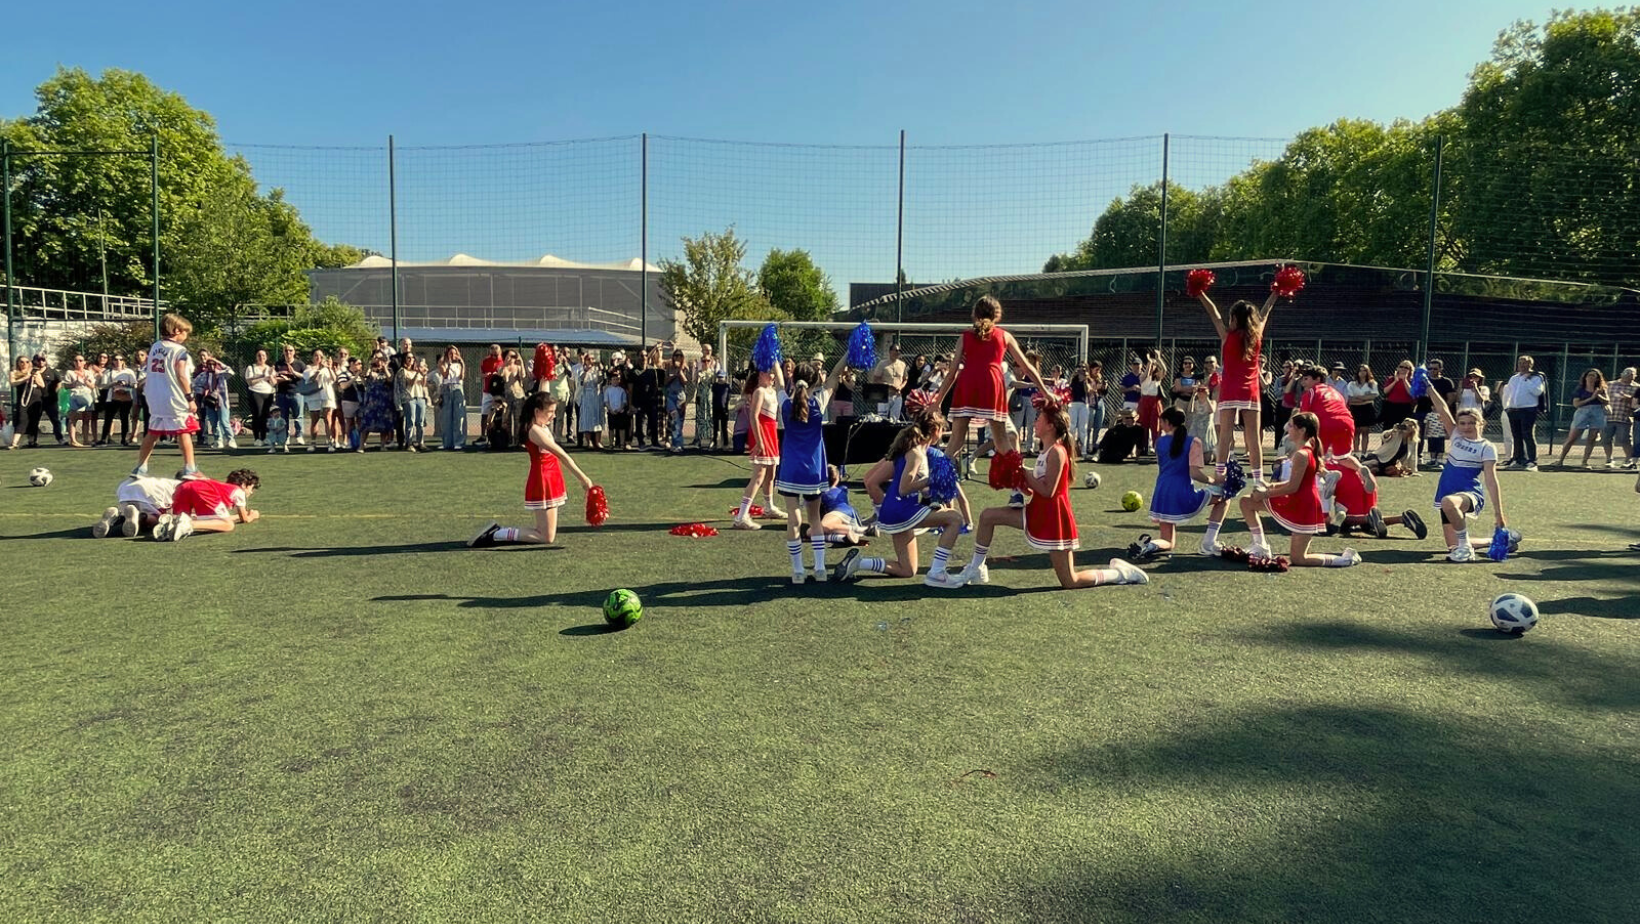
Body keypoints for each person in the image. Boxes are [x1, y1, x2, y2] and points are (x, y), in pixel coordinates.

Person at [949, 403, 1148, 589]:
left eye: (1039, 420)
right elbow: (1037, 490)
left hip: (1054, 518)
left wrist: (1022, 470)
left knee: (1070, 581)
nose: (1035, 423)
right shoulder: (1045, 451)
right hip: (1037, 510)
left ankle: (1120, 574)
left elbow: (1048, 491)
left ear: (1050, 426)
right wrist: (1017, 480)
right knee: (987, 516)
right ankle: (977, 568)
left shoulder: (1057, 452)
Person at [930, 296, 1051, 505]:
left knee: (955, 442)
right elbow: (1027, 367)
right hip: (992, 384)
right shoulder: (1004, 336)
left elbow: (951, 373)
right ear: (997, 315)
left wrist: (937, 401)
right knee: (1002, 441)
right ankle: (1015, 493)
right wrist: (1045, 391)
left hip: (968, 383)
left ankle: (936, 493)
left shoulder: (965, 336)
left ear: (975, 314)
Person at [834, 410, 970, 587]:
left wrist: (932, 495)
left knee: (908, 570)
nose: (943, 434)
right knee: (955, 519)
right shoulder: (916, 453)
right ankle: (937, 572)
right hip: (901, 509)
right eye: (942, 430)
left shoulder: (914, 450)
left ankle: (859, 563)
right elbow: (904, 488)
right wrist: (931, 480)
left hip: (895, 511)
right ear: (935, 429)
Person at [1235, 412, 1362, 568]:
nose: (1288, 429)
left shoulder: (1302, 454)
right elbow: (1297, 483)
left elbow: (1293, 487)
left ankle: (1346, 559)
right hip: (1298, 501)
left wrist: (1265, 493)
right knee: (1247, 502)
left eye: (1291, 426)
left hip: (1303, 506)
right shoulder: (1306, 450)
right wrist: (1271, 486)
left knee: (1299, 559)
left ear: (1301, 430)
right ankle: (1260, 545)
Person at [470, 393, 596, 548]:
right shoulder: (534, 431)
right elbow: (562, 455)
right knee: (546, 537)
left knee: (547, 535)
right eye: (550, 412)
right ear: (537, 412)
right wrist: (584, 479)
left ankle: (498, 533)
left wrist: (545, 373)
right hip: (543, 481)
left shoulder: (541, 425)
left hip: (552, 479)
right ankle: (497, 533)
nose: (553, 416)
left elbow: (544, 388)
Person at [1196, 281, 1283, 486]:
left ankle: (1220, 475)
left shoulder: (1227, 336)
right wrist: (1276, 292)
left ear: (1234, 318)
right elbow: (1266, 311)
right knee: (1253, 436)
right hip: (1250, 391)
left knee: (1225, 434)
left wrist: (1200, 293)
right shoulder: (1257, 335)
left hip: (1229, 389)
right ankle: (1259, 479)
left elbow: (1214, 313)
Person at [775, 357, 849, 583]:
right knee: (815, 518)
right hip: (814, 471)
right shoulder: (818, 404)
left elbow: (778, 381)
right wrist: (848, 353)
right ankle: (819, 569)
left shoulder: (786, 404)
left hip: (790, 469)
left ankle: (798, 571)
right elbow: (835, 375)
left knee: (793, 519)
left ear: (793, 379)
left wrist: (773, 356)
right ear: (815, 381)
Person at [1130, 407, 1229, 560]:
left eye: (1161, 422)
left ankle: (1148, 546)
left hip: (1161, 492)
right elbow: (1194, 473)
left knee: (1168, 541)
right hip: (1182, 494)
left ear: (1168, 423)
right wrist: (1215, 480)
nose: (1160, 425)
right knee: (1225, 497)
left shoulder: (1160, 442)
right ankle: (1209, 542)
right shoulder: (1193, 442)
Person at [1426, 386, 1512, 563]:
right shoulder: (1456, 436)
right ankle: (1496, 541)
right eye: (1462, 423)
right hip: (1447, 491)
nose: (1466, 427)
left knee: (1448, 503)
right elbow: (1442, 407)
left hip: (1469, 493)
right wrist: (1429, 386)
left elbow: (1491, 480)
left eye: (1471, 422)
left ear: (1481, 423)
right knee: (1452, 545)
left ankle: (1466, 550)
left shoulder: (1486, 447)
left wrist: (1499, 514)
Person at [131, 313, 202, 480]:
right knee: (184, 430)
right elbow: (182, 375)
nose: (186, 336)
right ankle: (190, 468)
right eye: (185, 332)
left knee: (153, 431)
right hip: (174, 396)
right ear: (176, 330)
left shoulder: (155, 346)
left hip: (155, 396)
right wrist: (190, 398)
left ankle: (140, 467)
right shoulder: (179, 350)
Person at [732, 364, 786, 530]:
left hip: (771, 434)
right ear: (761, 374)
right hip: (761, 435)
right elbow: (754, 418)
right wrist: (760, 441)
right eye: (768, 373)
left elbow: (781, 381)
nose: (772, 376)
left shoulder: (772, 390)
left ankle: (769, 507)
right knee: (758, 476)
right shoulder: (759, 391)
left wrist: (776, 360)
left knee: (771, 474)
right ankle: (741, 516)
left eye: (773, 373)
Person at [1324, 461, 1427, 541]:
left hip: (1343, 480)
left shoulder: (1319, 458)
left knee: (1342, 521)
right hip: (1363, 477)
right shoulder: (1343, 454)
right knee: (1365, 523)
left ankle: (1368, 519)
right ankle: (1402, 518)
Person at [153, 469, 261, 541]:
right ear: (243, 485)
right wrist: (253, 515)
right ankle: (189, 525)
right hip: (202, 490)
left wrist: (237, 516)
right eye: (251, 488)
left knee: (179, 518)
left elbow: (216, 520)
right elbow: (245, 519)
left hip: (183, 487)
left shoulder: (222, 488)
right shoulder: (238, 491)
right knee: (228, 525)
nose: (251, 492)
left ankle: (167, 525)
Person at [93, 473, 182, 538]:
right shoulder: (186, 487)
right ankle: (140, 516)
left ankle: (115, 516)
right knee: (162, 519)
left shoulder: (167, 482)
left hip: (125, 487)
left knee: (127, 512)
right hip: (148, 492)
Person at [1551, 367, 1609, 468]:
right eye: (1589, 375)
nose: (1591, 378)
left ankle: (1584, 462)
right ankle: (1560, 460)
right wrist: (1591, 398)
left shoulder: (1601, 390)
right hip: (1582, 412)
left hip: (1597, 413)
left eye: (1594, 376)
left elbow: (1607, 401)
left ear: (1597, 379)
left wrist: (1598, 396)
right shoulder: (1580, 389)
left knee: (1592, 438)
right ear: (1585, 377)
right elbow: (1576, 404)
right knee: (1572, 438)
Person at [1501, 356, 1546, 470]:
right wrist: (1507, 407)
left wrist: (1527, 379)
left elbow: (1537, 391)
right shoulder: (1514, 378)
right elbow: (1509, 393)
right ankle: (1519, 459)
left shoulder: (1536, 377)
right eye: (1520, 363)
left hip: (1528, 409)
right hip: (1514, 410)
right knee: (1516, 436)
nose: (1521, 365)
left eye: (1524, 363)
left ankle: (1532, 461)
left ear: (1530, 365)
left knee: (1527, 434)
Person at [194, 351, 238, 450]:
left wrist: (217, 361)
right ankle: (218, 440)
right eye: (209, 364)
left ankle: (230, 439)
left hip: (222, 401)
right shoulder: (204, 375)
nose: (211, 366)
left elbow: (231, 371)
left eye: (213, 364)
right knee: (214, 422)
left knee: (224, 421)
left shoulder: (222, 374)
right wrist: (202, 391)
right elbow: (195, 383)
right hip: (210, 401)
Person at [1419, 359, 1457, 469]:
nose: (1432, 371)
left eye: (1435, 368)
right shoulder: (1424, 381)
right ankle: (1430, 458)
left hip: (1439, 414)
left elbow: (1451, 398)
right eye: (1430, 368)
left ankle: (1439, 458)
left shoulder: (1446, 382)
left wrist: (1441, 409)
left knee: (1439, 436)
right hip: (1425, 412)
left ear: (1440, 369)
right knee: (1428, 436)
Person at [358, 353, 398, 451]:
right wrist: (370, 365)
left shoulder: (389, 370)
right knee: (367, 423)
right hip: (371, 400)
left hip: (384, 400)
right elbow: (365, 376)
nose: (378, 360)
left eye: (380, 358)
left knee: (383, 423)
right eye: (376, 358)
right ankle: (361, 445)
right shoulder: (371, 370)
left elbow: (390, 379)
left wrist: (384, 368)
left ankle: (382, 445)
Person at [99, 354, 138, 446]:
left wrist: (125, 386)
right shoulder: (108, 372)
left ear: (124, 361)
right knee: (108, 418)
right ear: (112, 361)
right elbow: (103, 386)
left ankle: (124, 439)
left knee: (124, 419)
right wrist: (114, 383)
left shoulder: (129, 372)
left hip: (126, 398)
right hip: (112, 398)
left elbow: (134, 384)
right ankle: (104, 438)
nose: (118, 362)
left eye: (121, 359)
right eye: (116, 360)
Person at [1603, 366, 1636, 469]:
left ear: (1635, 376)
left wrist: (1629, 399)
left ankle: (1628, 460)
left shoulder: (1637, 388)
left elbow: (1637, 403)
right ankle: (1609, 459)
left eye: (1631, 374)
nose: (1628, 375)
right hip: (1608, 417)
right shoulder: (1610, 384)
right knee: (1606, 439)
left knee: (1625, 440)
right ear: (1621, 374)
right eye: (1626, 373)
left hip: (1625, 418)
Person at [273, 344, 306, 447]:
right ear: (283, 352)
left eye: (291, 350)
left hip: (297, 393)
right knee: (283, 417)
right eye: (286, 351)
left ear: (294, 352)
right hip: (282, 394)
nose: (288, 353)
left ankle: (299, 435)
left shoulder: (300, 364)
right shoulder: (278, 364)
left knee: (298, 416)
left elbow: (306, 377)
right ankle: (285, 437)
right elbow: (273, 379)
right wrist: (282, 379)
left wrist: (294, 373)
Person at [62, 353, 98, 447]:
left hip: (87, 397)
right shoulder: (70, 373)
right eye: (76, 360)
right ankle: (73, 440)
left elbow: (93, 386)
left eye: (80, 360)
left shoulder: (88, 373)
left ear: (84, 362)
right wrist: (75, 382)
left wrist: (86, 382)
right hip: (75, 396)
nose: (78, 362)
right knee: (73, 418)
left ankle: (86, 440)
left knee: (86, 419)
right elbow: (66, 386)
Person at [243, 349, 277, 447]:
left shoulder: (270, 368)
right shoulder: (251, 368)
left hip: (268, 393)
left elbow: (273, 383)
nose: (261, 357)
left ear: (266, 357)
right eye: (259, 355)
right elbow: (250, 382)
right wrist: (263, 376)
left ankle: (264, 437)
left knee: (265, 416)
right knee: (257, 415)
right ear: (256, 357)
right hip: (256, 393)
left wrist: (270, 376)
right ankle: (257, 438)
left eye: (263, 355)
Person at [437, 346, 467, 451]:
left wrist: (462, 364)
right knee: (446, 417)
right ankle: (447, 442)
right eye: (450, 353)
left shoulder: (459, 364)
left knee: (459, 415)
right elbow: (445, 375)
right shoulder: (443, 363)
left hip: (457, 387)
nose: (453, 355)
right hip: (446, 388)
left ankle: (459, 441)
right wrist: (448, 365)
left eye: (454, 353)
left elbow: (462, 377)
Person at [397, 354, 429, 452]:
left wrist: (424, 375)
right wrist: (417, 374)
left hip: (420, 397)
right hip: (409, 398)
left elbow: (423, 384)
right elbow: (410, 383)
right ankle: (409, 443)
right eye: (408, 358)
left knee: (420, 421)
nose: (411, 360)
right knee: (410, 421)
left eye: (412, 358)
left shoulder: (417, 371)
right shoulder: (402, 371)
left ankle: (420, 442)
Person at [1346, 364, 1379, 456]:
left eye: (1364, 370)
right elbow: (1351, 400)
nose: (1362, 373)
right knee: (1356, 432)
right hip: (1355, 409)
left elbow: (1373, 396)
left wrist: (1359, 398)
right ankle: (1356, 453)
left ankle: (1364, 453)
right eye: (1360, 370)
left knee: (1365, 431)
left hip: (1367, 409)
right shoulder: (1351, 384)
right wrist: (1365, 399)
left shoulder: (1372, 384)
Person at [870, 343, 908, 419]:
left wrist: (900, 387)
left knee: (895, 419)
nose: (897, 352)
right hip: (885, 395)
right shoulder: (882, 364)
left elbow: (905, 379)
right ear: (890, 351)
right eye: (895, 350)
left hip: (897, 396)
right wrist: (888, 385)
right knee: (881, 419)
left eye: (899, 351)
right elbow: (875, 379)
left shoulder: (902, 364)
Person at [575, 353, 604, 451]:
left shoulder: (597, 370)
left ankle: (598, 441)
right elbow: (581, 381)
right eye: (589, 359)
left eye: (592, 359)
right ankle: (589, 442)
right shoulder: (582, 369)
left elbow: (600, 380)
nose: (591, 361)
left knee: (597, 417)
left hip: (596, 396)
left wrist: (601, 370)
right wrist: (586, 371)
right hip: (587, 396)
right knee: (587, 418)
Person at [665, 348, 691, 453]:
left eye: (680, 356)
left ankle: (678, 444)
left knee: (679, 422)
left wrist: (679, 371)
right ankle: (676, 443)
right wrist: (672, 376)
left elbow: (685, 381)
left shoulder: (685, 368)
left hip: (681, 397)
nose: (678, 357)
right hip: (671, 396)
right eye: (676, 355)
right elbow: (665, 381)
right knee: (675, 420)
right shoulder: (669, 368)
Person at [603, 369, 631, 449]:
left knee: (621, 429)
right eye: (614, 379)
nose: (615, 381)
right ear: (610, 380)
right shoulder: (608, 390)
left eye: (617, 379)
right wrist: (610, 410)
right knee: (611, 429)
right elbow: (606, 402)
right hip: (611, 412)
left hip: (620, 412)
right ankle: (611, 444)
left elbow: (624, 402)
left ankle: (622, 444)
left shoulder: (621, 390)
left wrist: (620, 409)